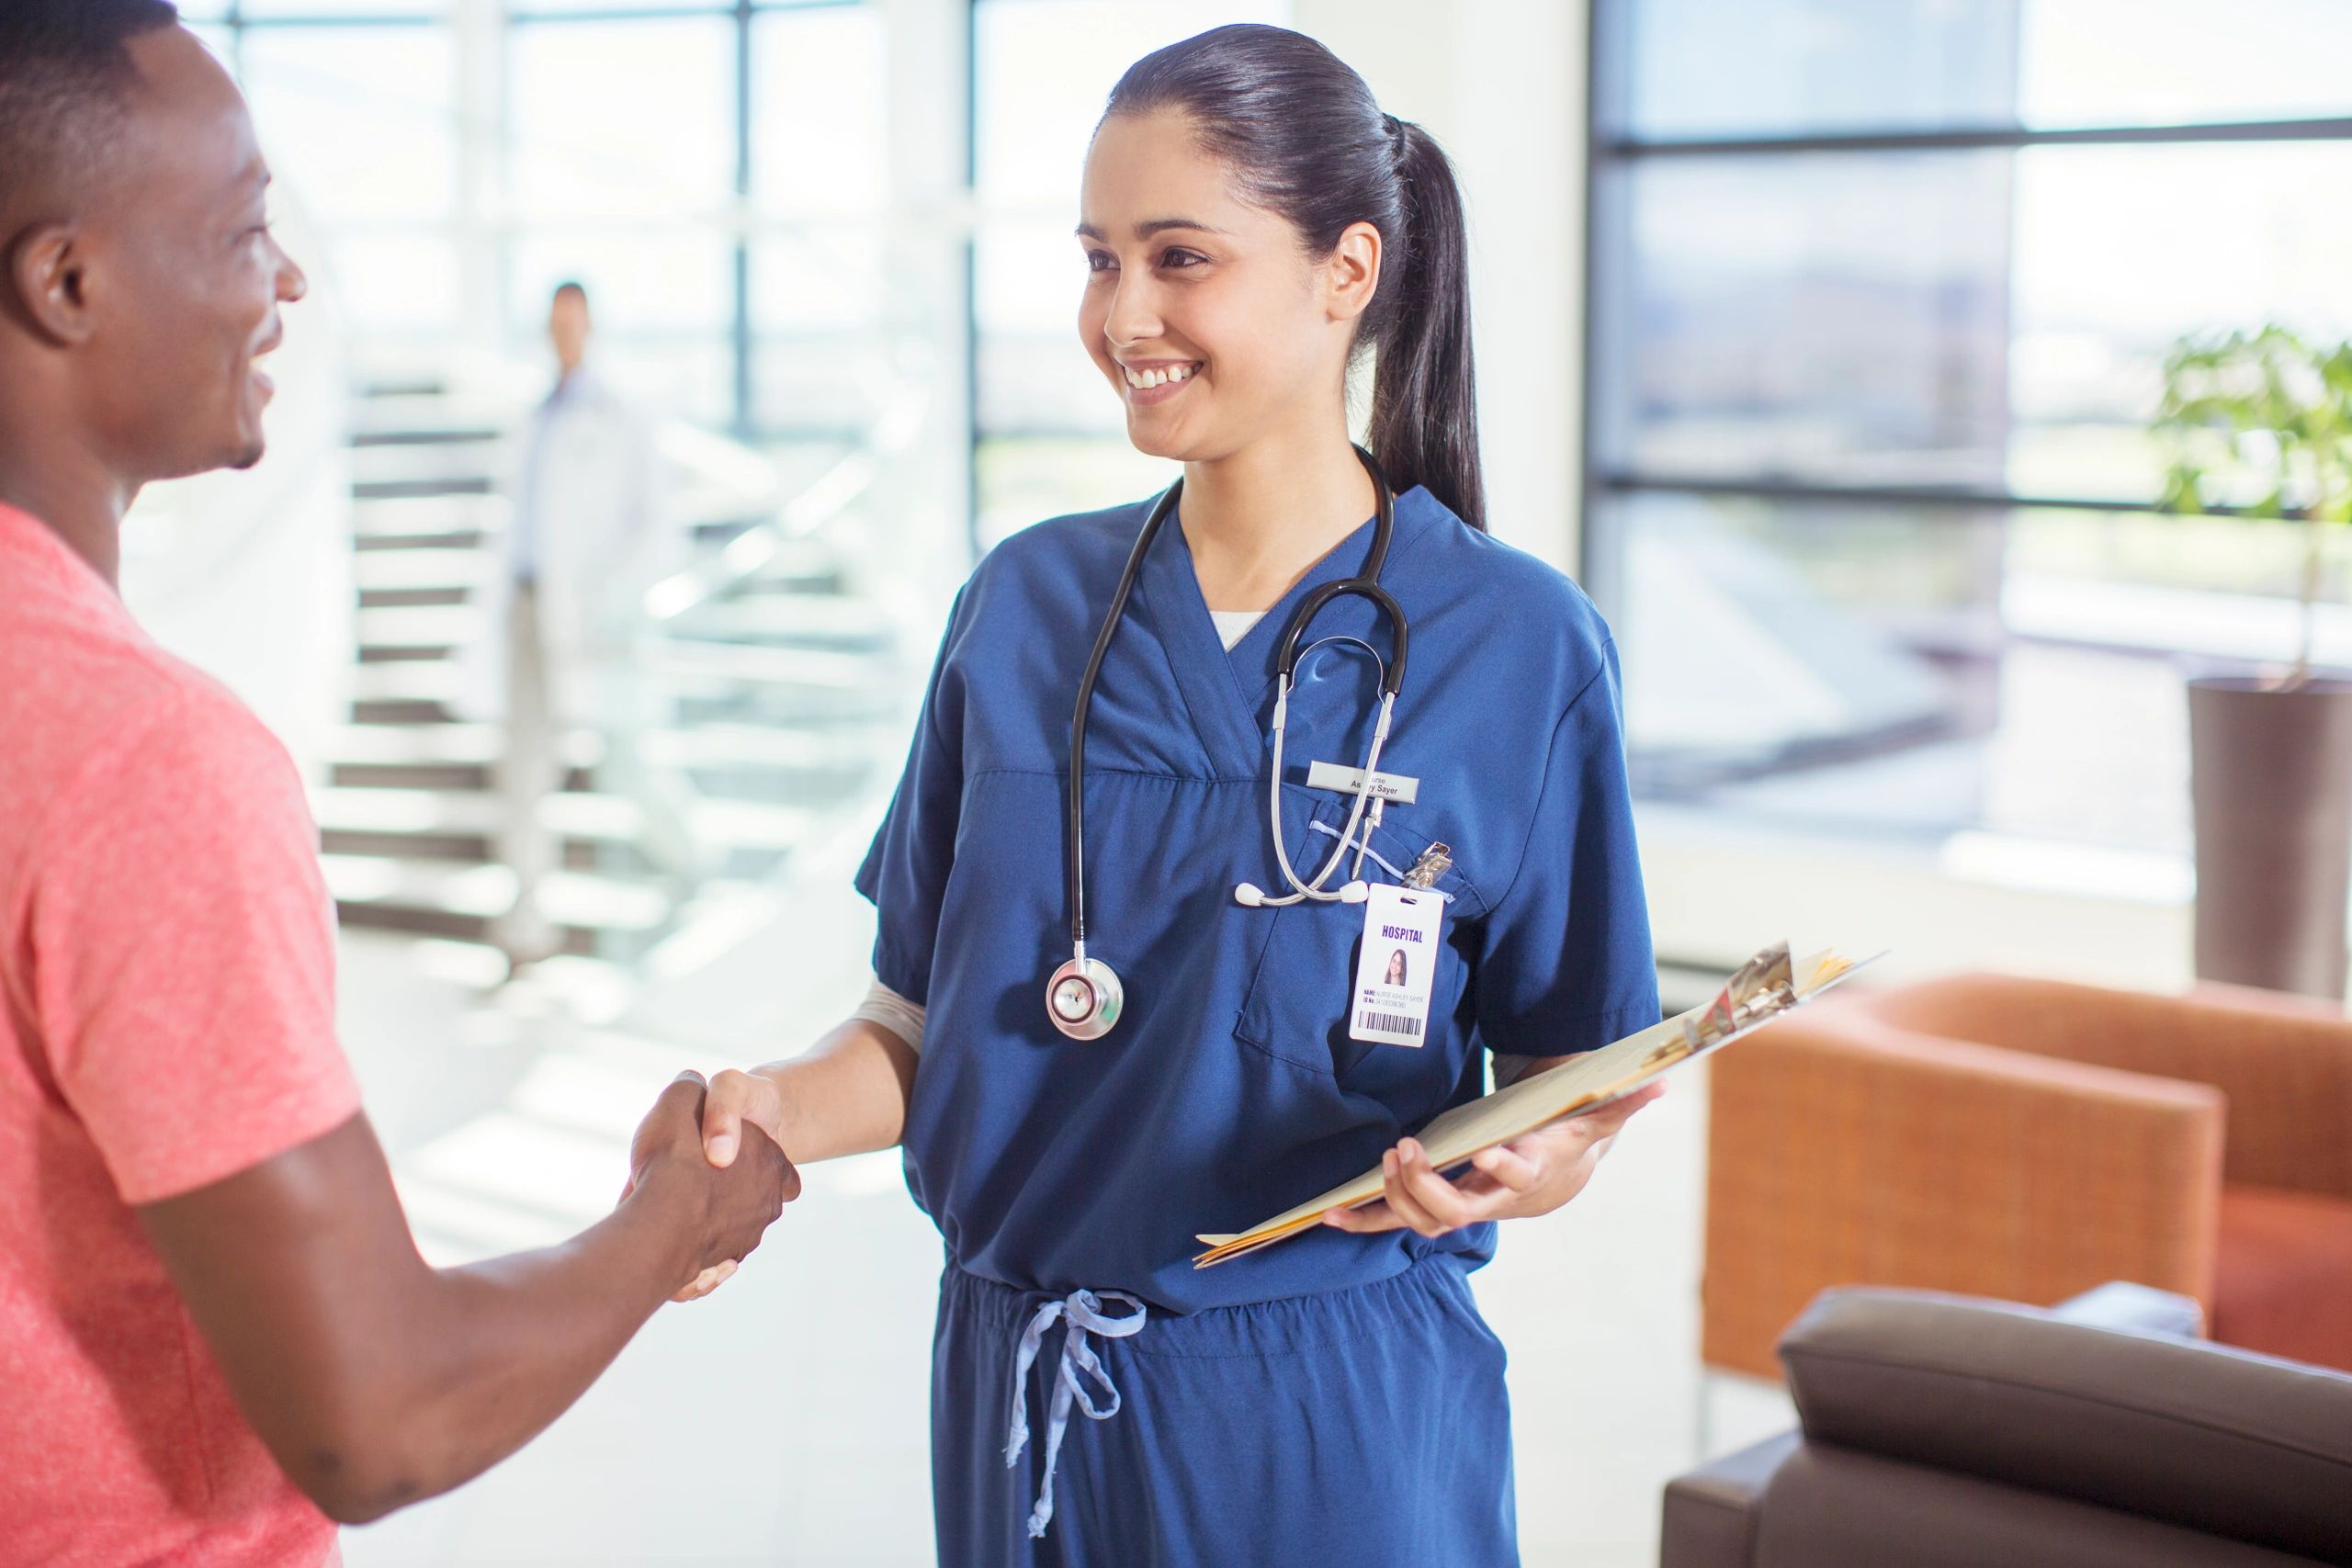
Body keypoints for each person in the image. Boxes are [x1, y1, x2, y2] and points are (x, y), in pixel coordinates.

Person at [688, 24, 1664, 1565]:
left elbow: (1569, 1064)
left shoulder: (1518, 645)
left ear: (1346, 271)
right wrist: (772, 1113)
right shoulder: (1023, 607)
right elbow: (919, 1027)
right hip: (1022, 1394)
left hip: (1327, 1413)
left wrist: (1542, 1162)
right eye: (1098, 259)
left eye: (1180, 258)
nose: (1121, 314)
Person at [0, 8, 794, 1562]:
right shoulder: (141, 759)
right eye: (244, 229)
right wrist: (677, 1221)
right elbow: (377, 1409)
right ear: (67, 283)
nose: (288, 281)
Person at [466, 279, 684, 976]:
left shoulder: (624, 416)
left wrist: (603, 599)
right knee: (523, 767)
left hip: (595, 621)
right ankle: (526, 921)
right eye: (554, 325)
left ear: (591, 329)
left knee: (624, 757)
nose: (564, 337)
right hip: (525, 609)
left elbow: (659, 529)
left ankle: (686, 861)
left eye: (574, 324)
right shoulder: (535, 417)